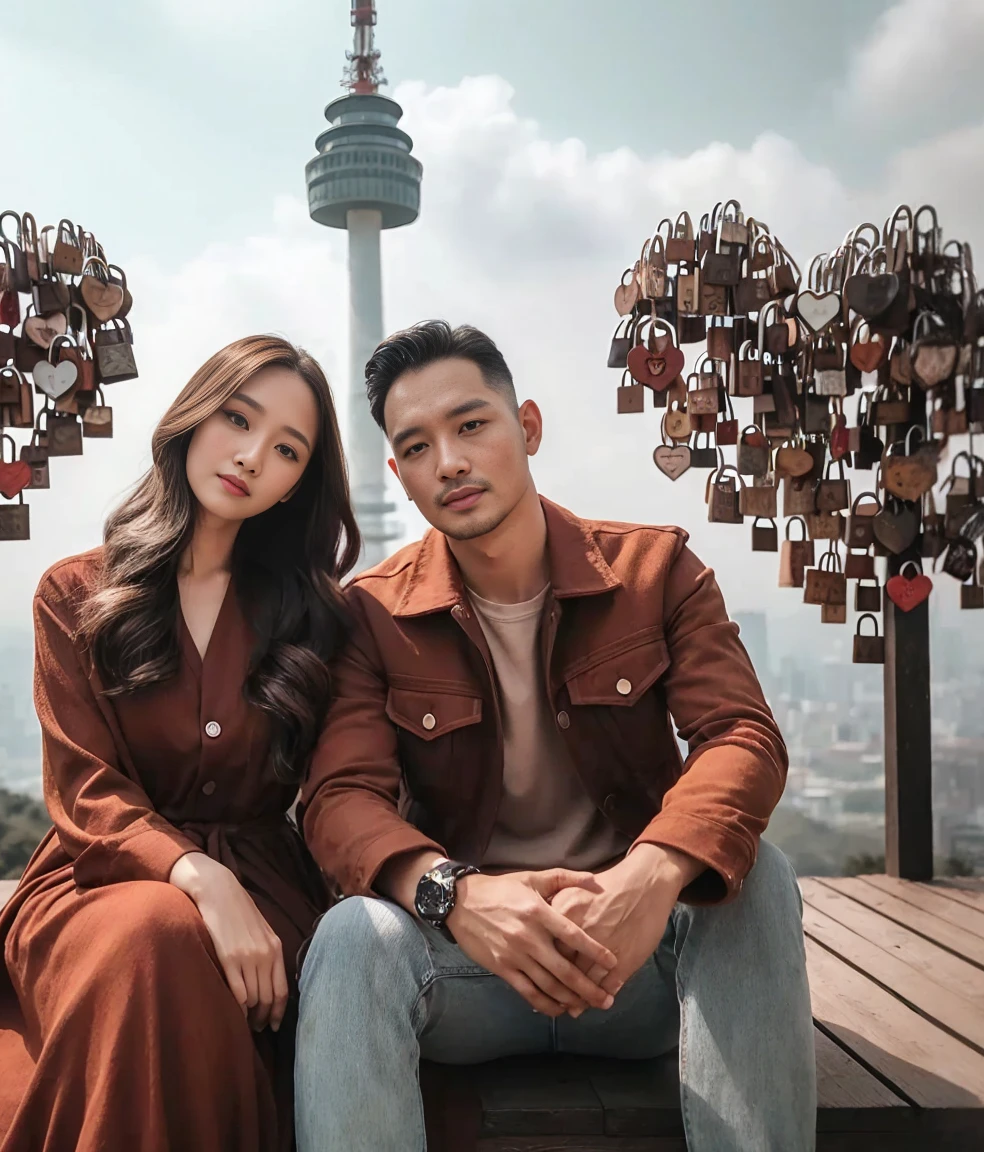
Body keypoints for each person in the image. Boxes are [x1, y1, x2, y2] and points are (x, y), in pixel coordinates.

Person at [294, 321, 815, 1152]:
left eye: (472, 426)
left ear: (526, 427)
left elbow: (740, 738)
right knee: (353, 935)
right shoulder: (372, 614)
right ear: (400, 474)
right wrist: (457, 896)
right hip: (470, 969)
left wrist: (650, 877)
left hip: (635, 962)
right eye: (418, 447)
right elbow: (338, 799)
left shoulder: (656, 571)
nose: (451, 463)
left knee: (757, 881)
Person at [0, 335, 360, 1152]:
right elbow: (86, 789)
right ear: (194, 417)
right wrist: (200, 880)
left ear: (301, 481)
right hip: (99, 886)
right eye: (238, 418)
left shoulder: (318, 618)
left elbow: (340, 785)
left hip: (268, 897)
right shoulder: (77, 594)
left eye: (288, 449)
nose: (253, 456)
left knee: (181, 952)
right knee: (155, 932)